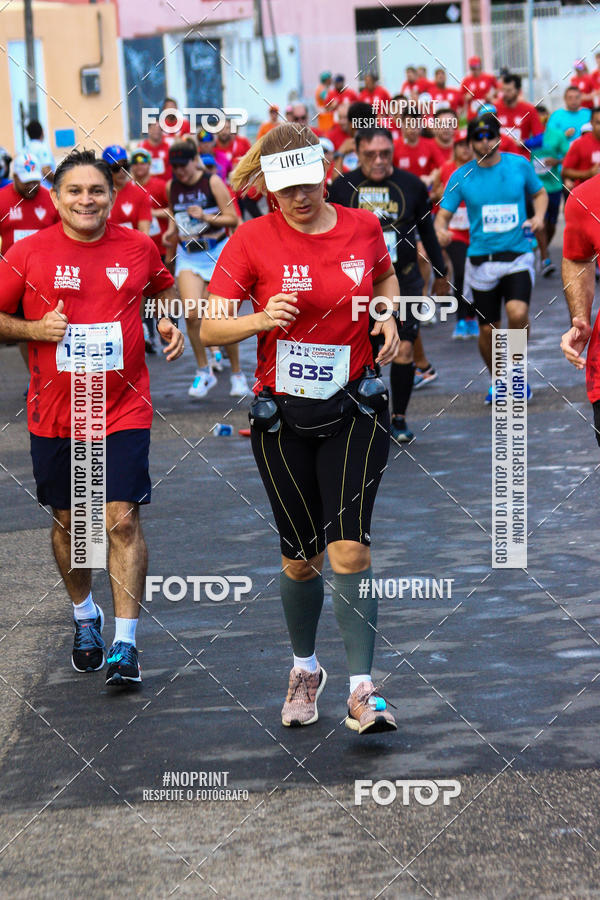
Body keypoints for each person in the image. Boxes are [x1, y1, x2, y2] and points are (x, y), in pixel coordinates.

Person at [202, 124, 400, 735]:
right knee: (300, 560)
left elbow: (386, 278)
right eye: (285, 189)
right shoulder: (251, 240)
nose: (300, 198)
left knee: (350, 549)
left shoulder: (362, 226)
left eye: (309, 184)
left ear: (325, 173)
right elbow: (211, 328)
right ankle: (303, 667)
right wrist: (260, 317)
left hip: (356, 408)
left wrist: (388, 314)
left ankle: (363, 690)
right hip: (282, 416)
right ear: (266, 187)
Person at [0, 149, 184, 687]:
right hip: (56, 414)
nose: (87, 200)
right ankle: (86, 615)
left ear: (113, 194)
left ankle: (125, 645)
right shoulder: (26, 254)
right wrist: (34, 331)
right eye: (74, 191)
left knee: (121, 519)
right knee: (71, 524)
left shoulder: (137, 246)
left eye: (96, 190)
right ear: (55, 198)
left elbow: (160, 290)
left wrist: (166, 322)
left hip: (123, 406)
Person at [328, 125, 449, 442]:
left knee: (405, 348)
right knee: (367, 353)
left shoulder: (411, 185)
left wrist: (440, 273)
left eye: (385, 154)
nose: (379, 161)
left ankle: (399, 418)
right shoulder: (341, 188)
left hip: (406, 277)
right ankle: (368, 415)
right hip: (359, 283)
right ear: (357, 153)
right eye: (371, 155)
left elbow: (428, 234)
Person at [436, 113, 547, 402]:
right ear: (471, 142)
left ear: (499, 137)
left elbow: (540, 193)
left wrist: (538, 217)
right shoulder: (461, 176)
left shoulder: (519, 165)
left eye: (490, 135)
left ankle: (518, 373)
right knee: (488, 330)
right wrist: (441, 230)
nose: (485, 141)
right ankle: (498, 379)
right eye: (478, 137)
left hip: (518, 255)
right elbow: (443, 215)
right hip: (481, 262)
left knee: (518, 313)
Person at [164, 140, 248, 398]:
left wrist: (205, 217)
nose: (180, 172)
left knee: (222, 316)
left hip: (216, 251)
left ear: (194, 161)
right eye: (175, 167)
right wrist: (170, 233)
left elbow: (233, 218)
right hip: (189, 254)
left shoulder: (211, 182)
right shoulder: (172, 186)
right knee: (191, 314)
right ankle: (204, 371)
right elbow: (174, 215)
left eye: (184, 165)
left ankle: (237, 374)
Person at [431, 130, 478, 338]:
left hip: (477, 231)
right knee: (460, 271)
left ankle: (473, 317)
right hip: (454, 232)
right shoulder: (446, 169)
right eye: (460, 145)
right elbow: (435, 198)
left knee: (477, 274)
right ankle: (460, 319)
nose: (465, 149)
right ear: (455, 148)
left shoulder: (481, 168)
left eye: (467, 144)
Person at [528, 107, 569, 277]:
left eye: (543, 116)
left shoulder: (556, 134)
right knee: (540, 222)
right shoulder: (527, 137)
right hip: (534, 187)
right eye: (537, 117)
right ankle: (545, 258)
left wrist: (557, 160)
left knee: (551, 225)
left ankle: (542, 247)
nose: (540, 119)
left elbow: (569, 156)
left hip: (553, 186)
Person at [102, 145, 152, 234]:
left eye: (125, 166)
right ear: (106, 169)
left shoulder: (140, 194)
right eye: (116, 167)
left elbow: (145, 234)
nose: (122, 172)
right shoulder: (98, 196)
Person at [494, 73, 543, 153]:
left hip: (520, 161)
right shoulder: (494, 108)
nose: (505, 94)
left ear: (518, 91)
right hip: (499, 162)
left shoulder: (529, 110)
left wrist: (524, 143)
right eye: (503, 90)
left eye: (509, 90)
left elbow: (540, 139)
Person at [561, 107, 600, 188]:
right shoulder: (580, 143)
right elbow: (565, 171)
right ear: (591, 123)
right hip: (586, 193)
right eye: (598, 123)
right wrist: (588, 174)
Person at [24, 120, 56, 186]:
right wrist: (59, 182)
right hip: (45, 190)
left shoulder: (25, 150)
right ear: (42, 132)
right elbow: (46, 171)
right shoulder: (42, 148)